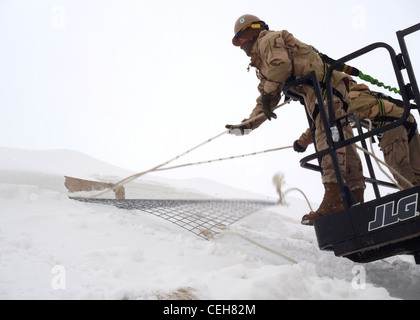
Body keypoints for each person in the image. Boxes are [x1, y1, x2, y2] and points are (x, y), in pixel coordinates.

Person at [225, 14, 365, 225]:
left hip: (324, 90)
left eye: (242, 39)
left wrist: (268, 95)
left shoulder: (267, 40)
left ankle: (334, 198)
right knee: (341, 141)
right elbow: (266, 98)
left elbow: (280, 67)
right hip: (324, 92)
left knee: (328, 138)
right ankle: (356, 202)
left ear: (253, 32)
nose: (241, 46)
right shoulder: (263, 63)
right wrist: (247, 125)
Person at [295, 79, 420, 191]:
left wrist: (302, 142)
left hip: (391, 125)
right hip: (407, 119)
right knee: (417, 167)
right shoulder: (366, 94)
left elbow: (323, 123)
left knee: (399, 167)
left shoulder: (345, 98)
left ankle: (413, 198)